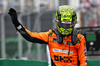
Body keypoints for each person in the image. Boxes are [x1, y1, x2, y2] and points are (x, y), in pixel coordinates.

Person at [8, 5, 87, 66]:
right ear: (58, 22)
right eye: (63, 24)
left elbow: (83, 62)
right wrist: (17, 24)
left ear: (73, 23)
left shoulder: (79, 38)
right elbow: (30, 36)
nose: (65, 27)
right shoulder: (50, 36)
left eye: (68, 24)